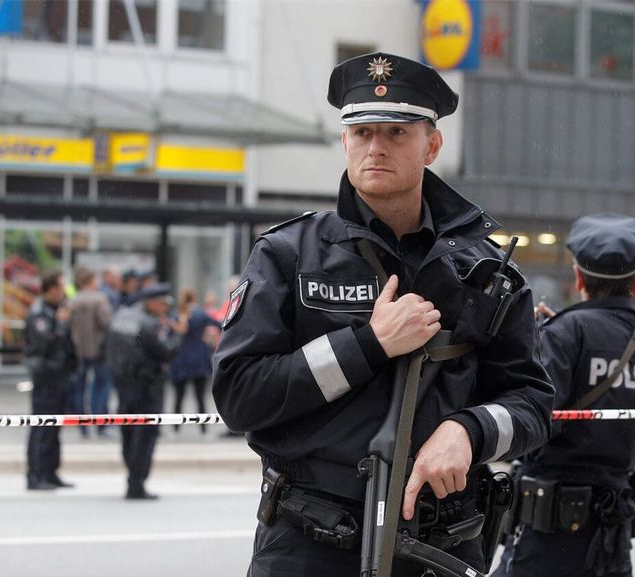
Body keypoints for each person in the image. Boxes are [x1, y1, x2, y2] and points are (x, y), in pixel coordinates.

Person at [212, 52, 554, 576]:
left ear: (431, 145)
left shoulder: (485, 270)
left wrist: (469, 429)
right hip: (310, 544)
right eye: (363, 132)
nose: (376, 147)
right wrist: (366, 345)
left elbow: (532, 402)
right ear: (345, 141)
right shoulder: (289, 254)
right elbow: (239, 396)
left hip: (443, 542)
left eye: (397, 132)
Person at [495, 214, 635, 577]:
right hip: (614, 532)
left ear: (577, 277)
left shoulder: (566, 333)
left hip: (550, 535)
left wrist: (546, 338)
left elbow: (535, 420)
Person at [106, 283, 186, 500]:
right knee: (145, 435)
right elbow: (166, 351)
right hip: (147, 387)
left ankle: (132, 475)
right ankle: (136, 482)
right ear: (152, 302)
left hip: (124, 385)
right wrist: (178, 335)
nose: (165, 308)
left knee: (128, 432)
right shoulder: (148, 324)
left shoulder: (122, 315)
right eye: (163, 304)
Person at [24, 270, 77, 491]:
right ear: (51, 289)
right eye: (60, 287)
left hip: (60, 377)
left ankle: (51, 471)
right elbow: (44, 343)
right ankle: (36, 475)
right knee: (42, 427)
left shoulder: (56, 311)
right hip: (46, 377)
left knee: (55, 427)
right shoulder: (39, 313)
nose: (63, 292)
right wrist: (61, 324)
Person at [169, 287, 223, 434]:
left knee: (178, 396)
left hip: (181, 358)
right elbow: (220, 325)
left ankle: (175, 428)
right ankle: (203, 428)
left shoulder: (176, 314)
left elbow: (169, 335)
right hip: (199, 358)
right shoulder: (201, 314)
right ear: (194, 298)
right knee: (200, 396)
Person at [68, 267, 114, 439]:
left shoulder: (73, 301)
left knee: (80, 388)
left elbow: (67, 324)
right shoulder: (100, 299)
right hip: (98, 350)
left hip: (78, 351)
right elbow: (106, 322)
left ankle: (82, 426)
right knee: (102, 385)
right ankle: (100, 422)